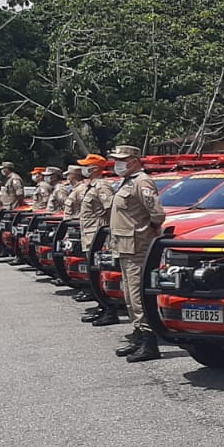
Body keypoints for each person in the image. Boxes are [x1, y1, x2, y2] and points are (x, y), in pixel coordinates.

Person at [105, 145, 164, 362]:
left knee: (138, 295)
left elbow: (157, 214)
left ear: (135, 160)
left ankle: (149, 342)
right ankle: (138, 335)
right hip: (124, 246)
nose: (117, 163)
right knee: (130, 295)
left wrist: (144, 232)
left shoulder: (142, 182)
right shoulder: (127, 182)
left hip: (137, 246)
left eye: (122, 159)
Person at [75, 155, 115, 322]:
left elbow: (110, 209)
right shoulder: (91, 186)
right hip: (90, 235)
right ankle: (102, 307)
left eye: (87, 166)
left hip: (97, 236)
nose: (83, 170)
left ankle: (109, 310)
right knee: (94, 274)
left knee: (99, 274)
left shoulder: (101, 186)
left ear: (95, 168)